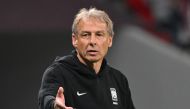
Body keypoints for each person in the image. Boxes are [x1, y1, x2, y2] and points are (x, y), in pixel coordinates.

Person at [38, 8, 135, 109]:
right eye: (86, 35)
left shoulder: (118, 79)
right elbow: (46, 98)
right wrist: (54, 105)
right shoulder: (58, 72)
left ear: (110, 40)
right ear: (75, 40)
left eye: (99, 35)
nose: (92, 41)